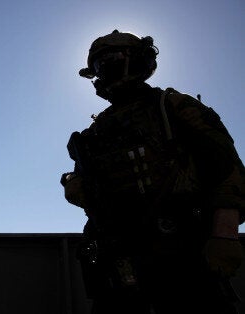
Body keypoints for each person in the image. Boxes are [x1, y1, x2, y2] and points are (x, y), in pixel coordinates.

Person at [61, 30, 245, 314]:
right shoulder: (95, 133)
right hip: (120, 257)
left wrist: (225, 234)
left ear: (137, 60)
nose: (103, 70)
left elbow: (226, 171)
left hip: (183, 251)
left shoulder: (172, 106)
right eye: (97, 65)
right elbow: (93, 192)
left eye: (110, 59)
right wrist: (76, 187)